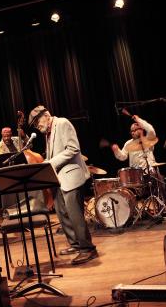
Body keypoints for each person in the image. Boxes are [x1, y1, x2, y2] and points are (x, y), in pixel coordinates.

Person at [28, 105, 98, 265]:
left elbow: (73, 149)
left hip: (71, 176)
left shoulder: (63, 123)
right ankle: (75, 244)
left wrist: (50, 162)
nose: (38, 128)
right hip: (59, 179)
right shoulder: (48, 133)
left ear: (46, 115)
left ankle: (88, 249)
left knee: (75, 214)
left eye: (38, 123)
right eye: (36, 126)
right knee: (61, 212)